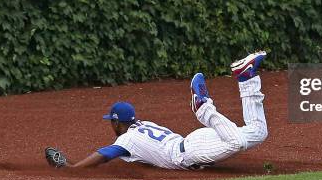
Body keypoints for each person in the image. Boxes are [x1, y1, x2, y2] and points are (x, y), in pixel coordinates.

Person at [45, 51, 268, 170]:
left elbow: (105, 154)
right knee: (258, 131)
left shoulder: (127, 139)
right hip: (195, 141)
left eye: (110, 122)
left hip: (190, 152)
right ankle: (246, 78)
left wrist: (73, 167)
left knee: (235, 143)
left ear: (116, 123)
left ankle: (203, 109)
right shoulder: (145, 124)